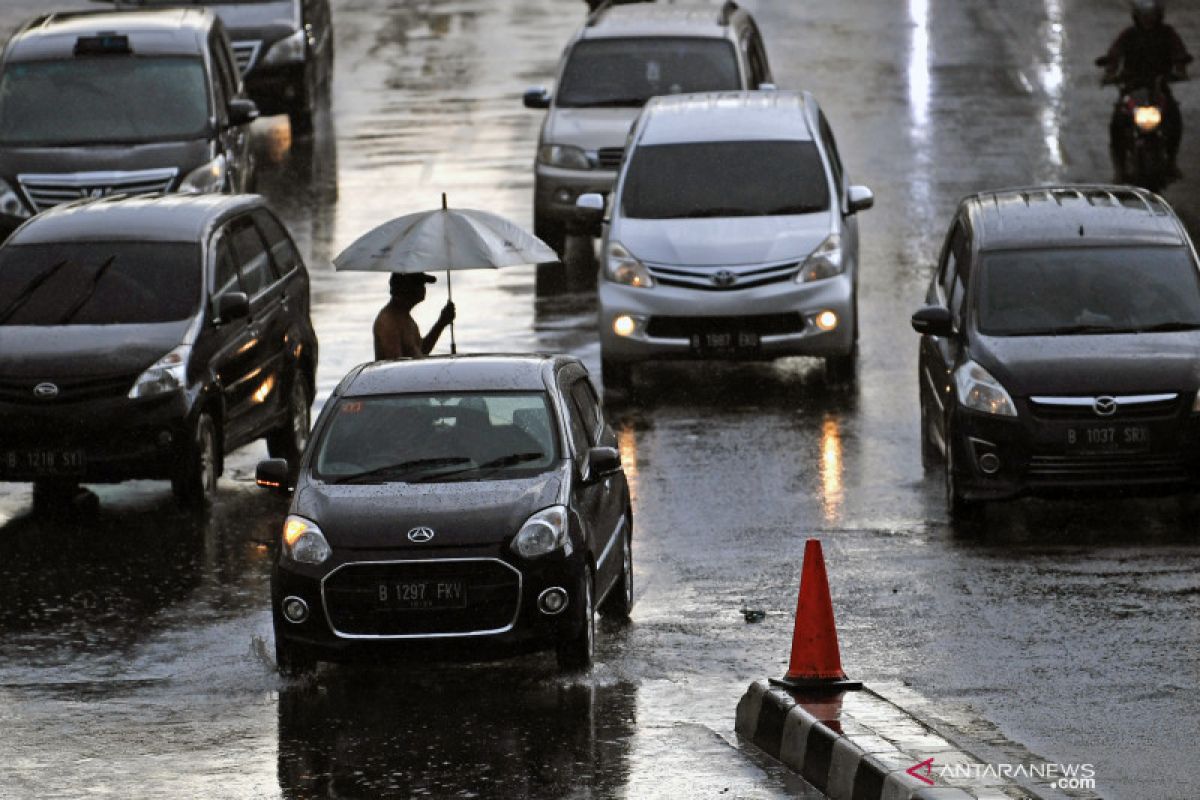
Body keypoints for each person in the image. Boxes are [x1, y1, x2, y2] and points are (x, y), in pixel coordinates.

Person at [1101, 0, 1192, 177]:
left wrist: (1180, 69)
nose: (1148, 20)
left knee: (1174, 118)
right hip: (1131, 86)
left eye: (1151, 17)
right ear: (1137, 17)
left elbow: (1179, 52)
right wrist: (1110, 72)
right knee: (1117, 122)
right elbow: (1115, 53)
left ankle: (1172, 161)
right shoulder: (1128, 35)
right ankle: (1119, 168)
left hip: (1158, 86)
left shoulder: (1168, 34)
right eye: (1144, 17)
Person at [372, 272, 456, 360]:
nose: (424, 288)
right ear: (405, 288)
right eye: (419, 284)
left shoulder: (405, 317)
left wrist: (441, 323)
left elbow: (420, 351)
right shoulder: (388, 322)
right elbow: (395, 367)